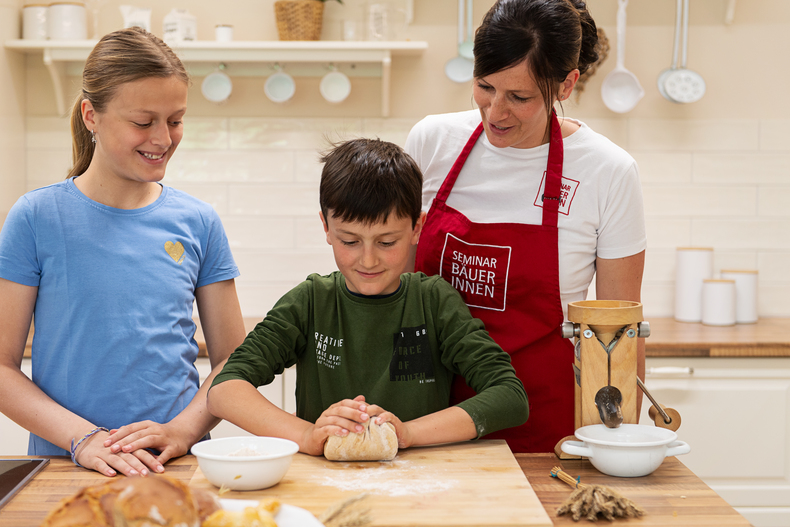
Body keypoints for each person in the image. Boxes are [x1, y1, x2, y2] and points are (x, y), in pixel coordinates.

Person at [0, 27, 246, 477]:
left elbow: (233, 358)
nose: (163, 138)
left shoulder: (199, 222)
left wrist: (183, 431)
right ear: (91, 115)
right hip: (64, 467)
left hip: (174, 467)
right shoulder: (35, 218)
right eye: (142, 121)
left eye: (175, 119)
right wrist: (84, 439)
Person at [405, 0, 646, 453]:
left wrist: (623, 447)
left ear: (566, 84)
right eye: (484, 87)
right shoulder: (431, 142)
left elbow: (619, 334)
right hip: (424, 417)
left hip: (541, 429)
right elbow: (390, 283)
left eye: (520, 97)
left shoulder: (608, 170)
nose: (495, 112)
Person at [206, 138, 528, 455]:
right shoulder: (310, 302)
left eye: (387, 242)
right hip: (322, 489)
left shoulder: (433, 302)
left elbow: (510, 396)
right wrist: (307, 435)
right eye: (350, 241)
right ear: (326, 228)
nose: (369, 260)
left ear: (417, 228)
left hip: (423, 489)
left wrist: (409, 433)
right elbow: (225, 390)